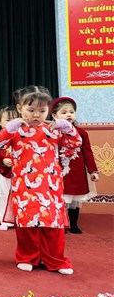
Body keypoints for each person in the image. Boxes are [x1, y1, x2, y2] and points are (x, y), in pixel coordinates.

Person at [0, 86, 81, 275]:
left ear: (48, 110)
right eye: (31, 110)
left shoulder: (53, 129)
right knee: (27, 224)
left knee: (53, 224)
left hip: (51, 185)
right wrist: (9, 129)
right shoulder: (15, 131)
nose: (36, 115)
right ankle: (27, 257)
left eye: (42, 110)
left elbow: (74, 145)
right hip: (24, 185)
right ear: (20, 108)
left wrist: (67, 128)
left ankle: (56, 260)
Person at [50, 97, 99, 234]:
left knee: (75, 200)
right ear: (54, 116)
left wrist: (93, 171)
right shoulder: (53, 132)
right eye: (64, 112)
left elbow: (88, 152)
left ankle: (73, 224)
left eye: (71, 112)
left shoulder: (82, 133)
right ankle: (61, 224)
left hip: (77, 171)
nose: (69, 115)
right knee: (60, 198)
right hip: (58, 170)